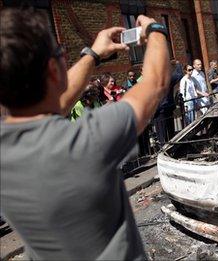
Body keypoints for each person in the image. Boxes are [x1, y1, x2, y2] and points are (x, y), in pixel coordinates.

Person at [0, 9, 170, 260]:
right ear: (53, 70)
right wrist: (155, 30)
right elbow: (155, 83)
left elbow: (55, 103)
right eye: (61, 53)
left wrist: (93, 55)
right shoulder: (88, 141)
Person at [154, 60, 183, 145]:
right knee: (170, 132)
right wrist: (177, 64)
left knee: (162, 134)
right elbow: (179, 74)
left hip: (160, 110)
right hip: (166, 108)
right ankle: (171, 148)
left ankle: (164, 150)